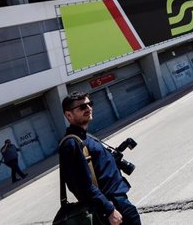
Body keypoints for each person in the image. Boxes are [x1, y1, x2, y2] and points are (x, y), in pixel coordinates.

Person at [59, 92, 141, 225]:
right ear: (69, 115)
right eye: (82, 107)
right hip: (110, 205)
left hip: (117, 200)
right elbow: (81, 185)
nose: (88, 108)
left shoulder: (86, 137)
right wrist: (109, 210)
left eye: (89, 104)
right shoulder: (71, 143)